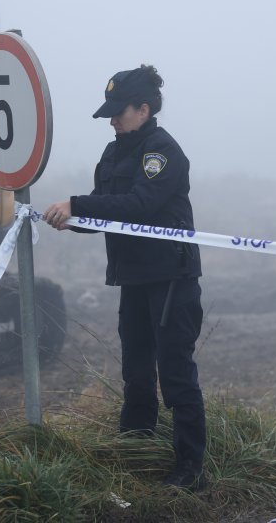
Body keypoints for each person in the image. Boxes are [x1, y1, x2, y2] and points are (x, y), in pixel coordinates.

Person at [43, 65, 207, 490]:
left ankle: (190, 469)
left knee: (175, 374)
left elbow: (138, 205)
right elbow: (106, 207)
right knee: (136, 371)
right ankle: (135, 451)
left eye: (120, 112)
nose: (112, 120)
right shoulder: (113, 152)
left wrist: (77, 205)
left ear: (144, 109)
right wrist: (72, 220)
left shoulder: (162, 151)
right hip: (133, 278)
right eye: (110, 113)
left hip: (170, 278)